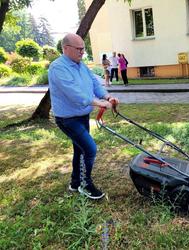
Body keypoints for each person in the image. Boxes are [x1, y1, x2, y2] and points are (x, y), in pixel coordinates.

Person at [48, 33, 119, 200]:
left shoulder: (81, 65)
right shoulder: (58, 68)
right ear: (66, 48)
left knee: (79, 149)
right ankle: (85, 184)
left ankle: (75, 182)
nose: (82, 52)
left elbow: (94, 83)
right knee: (90, 148)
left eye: (83, 49)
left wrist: (107, 97)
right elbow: (75, 94)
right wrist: (100, 103)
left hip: (82, 116)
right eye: (78, 49)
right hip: (68, 119)